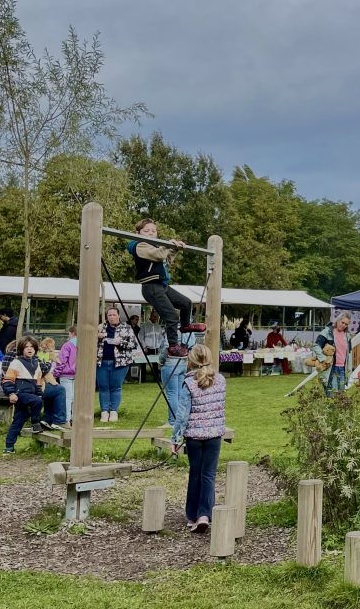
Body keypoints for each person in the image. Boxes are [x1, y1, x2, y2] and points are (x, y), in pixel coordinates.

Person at [128, 218, 206, 358]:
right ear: (138, 233)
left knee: (186, 303)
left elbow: (167, 258)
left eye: (153, 230)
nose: (151, 233)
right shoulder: (139, 245)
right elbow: (158, 255)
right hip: (151, 286)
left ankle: (185, 325)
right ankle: (173, 346)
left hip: (161, 285)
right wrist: (169, 245)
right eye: (147, 231)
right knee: (171, 317)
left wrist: (174, 248)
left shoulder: (156, 246)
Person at [182, 343, 226, 533]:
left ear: (191, 361)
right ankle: (204, 514)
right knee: (208, 475)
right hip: (214, 434)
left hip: (194, 435)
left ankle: (192, 515)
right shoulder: (221, 380)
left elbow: (182, 414)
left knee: (195, 473)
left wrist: (176, 438)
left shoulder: (188, 383)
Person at [3, 336, 52, 455]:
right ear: (21, 349)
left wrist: (39, 394)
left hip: (32, 395)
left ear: (35, 349)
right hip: (20, 394)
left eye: (31, 347)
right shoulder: (16, 362)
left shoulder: (37, 363)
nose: (29, 349)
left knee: (18, 420)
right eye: (26, 347)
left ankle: (9, 446)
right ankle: (35, 423)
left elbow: (38, 383)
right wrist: (11, 393)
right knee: (37, 402)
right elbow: (8, 380)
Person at [97, 307, 140, 423]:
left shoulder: (127, 328)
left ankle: (114, 411)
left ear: (119, 315)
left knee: (116, 387)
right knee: (103, 387)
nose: (111, 317)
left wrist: (119, 342)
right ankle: (104, 411)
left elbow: (133, 344)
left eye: (113, 315)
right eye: (109, 315)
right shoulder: (101, 328)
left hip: (121, 363)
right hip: (102, 362)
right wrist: (97, 336)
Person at [314, 314, 354, 393]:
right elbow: (316, 346)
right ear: (338, 320)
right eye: (342, 322)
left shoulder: (347, 335)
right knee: (331, 394)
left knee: (341, 395)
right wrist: (323, 359)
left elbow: (349, 353)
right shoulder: (327, 331)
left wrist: (349, 368)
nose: (343, 325)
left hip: (343, 369)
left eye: (346, 324)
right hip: (331, 368)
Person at [36, 337, 68, 427]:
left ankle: (48, 419)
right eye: (52, 346)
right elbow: (45, 370)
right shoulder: (47, 353)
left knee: (53, 390)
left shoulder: (38, 352)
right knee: (60, 389)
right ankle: (59, 421)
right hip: (40, 383)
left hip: (40, 382)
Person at [54, 327, 78, 424]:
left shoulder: (67, 345)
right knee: (76, 397)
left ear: (72, 333)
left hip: (66, 374)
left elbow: (62, 361)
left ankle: (67, 419)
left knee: (67, 397)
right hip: (79, 374)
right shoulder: (85, 345)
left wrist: (56, 373)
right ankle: (75, 418)